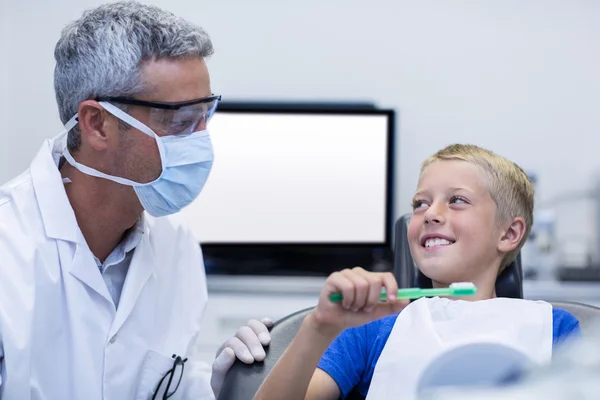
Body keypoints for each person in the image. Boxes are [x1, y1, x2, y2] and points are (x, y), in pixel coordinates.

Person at [0, 2, 271, 399]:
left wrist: (214, 387)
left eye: (204, 116)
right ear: (97, 124)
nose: (200, 141)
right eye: (180, 121)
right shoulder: (9, 252)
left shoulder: (175, 245)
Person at [254, 144, 581, 400]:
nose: (430, 214)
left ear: (509, 234)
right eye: (420, 204)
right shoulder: (372, 327)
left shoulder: (556, 330)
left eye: (456, 200)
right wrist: (318, 327)